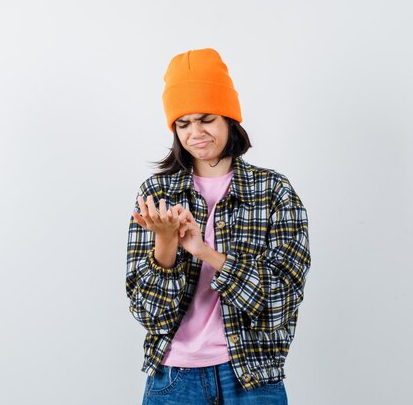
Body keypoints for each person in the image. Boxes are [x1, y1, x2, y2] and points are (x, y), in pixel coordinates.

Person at [125, 47, 311, 405]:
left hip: (252, 377)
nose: (196, 132)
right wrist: (165, 245)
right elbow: (149, 314)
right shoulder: (157, 193)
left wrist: (204, 252)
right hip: (174, 379)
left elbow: (281, 300)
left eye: (206, 118)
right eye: (183, 123)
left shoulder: (272, 191)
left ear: (229, 118)